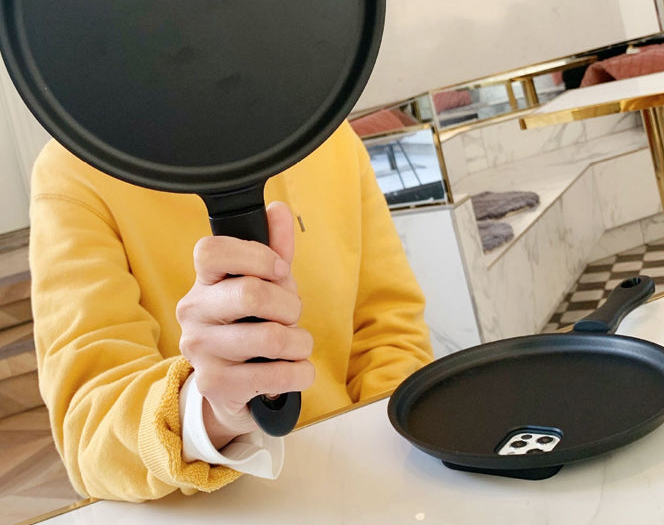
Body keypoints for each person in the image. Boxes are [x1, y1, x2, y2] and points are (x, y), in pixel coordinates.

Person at [29, 120, 433, 502]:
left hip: (362, 487)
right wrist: (206, 410)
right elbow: (89, 430)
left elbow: (391, 330)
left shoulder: (325, 132)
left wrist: (386, 467)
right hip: (207, 509)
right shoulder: (76, 168)